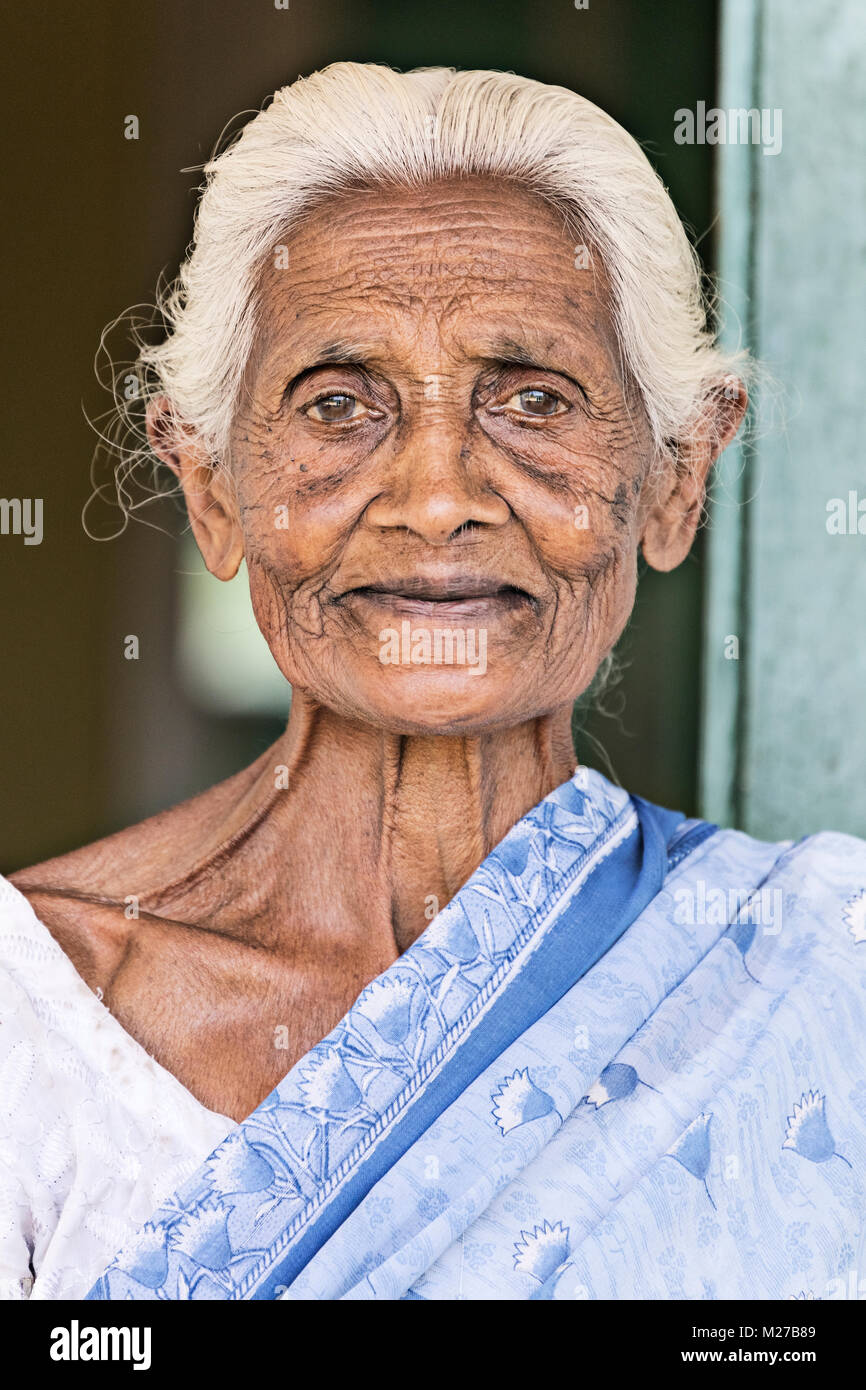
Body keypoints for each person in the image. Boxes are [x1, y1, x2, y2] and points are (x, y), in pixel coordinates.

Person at [2, 62, 863, 1301]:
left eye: (531, 398)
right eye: (339, 404)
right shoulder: (28, 1023)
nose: (439, 498)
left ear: (677, 474)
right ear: (209, 487)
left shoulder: (821, 973)